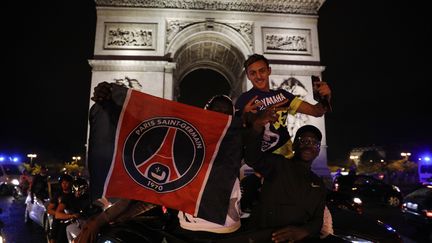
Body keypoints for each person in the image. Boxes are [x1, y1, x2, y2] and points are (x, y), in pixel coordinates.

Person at [243, 121, 328, 242]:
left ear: (318, 150)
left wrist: (304, 231)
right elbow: (252, 157)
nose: (309, 145)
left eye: (315, 143)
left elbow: (318, 219)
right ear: (294, 146)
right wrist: (257, 127)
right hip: (266, 237)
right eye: (304, 141)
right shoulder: (278, 164)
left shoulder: (319, 183)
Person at [235, 53, 332, 157]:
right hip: (261, 161)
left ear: (269, 70)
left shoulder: (283, 96)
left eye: (262, 71)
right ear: (248, 75)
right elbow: (236, 134)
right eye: (253, 73)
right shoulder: (244, 100)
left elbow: (316, 111)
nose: (258, 76)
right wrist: (243, 115)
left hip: (285, 159)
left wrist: (325, 97)